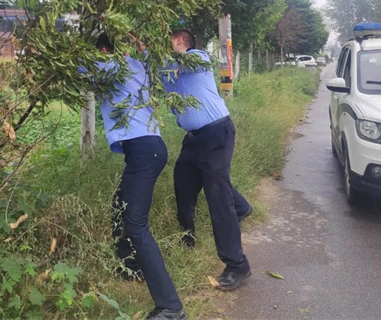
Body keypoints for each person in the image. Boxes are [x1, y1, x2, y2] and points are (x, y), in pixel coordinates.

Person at [80, 34, 187, 320]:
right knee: (120, 207)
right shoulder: (135, 65)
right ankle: (130, 267)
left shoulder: (115, 66)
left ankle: (171, 307)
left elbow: (79, 66)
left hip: (143, 151)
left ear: (104, 51)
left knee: (136, 225)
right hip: (148, 148)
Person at [162, 28, 252, 291]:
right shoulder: (171, 70)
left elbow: (177, 63)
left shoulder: (197, 57)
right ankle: (187, 238)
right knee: (183, 182)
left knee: (217, 196)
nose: (166, 46)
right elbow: (159, 79)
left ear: (180, 40)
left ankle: (237, 265)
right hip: (193, 138)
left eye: (169, 41)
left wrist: (150, 53)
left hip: (216, 132)